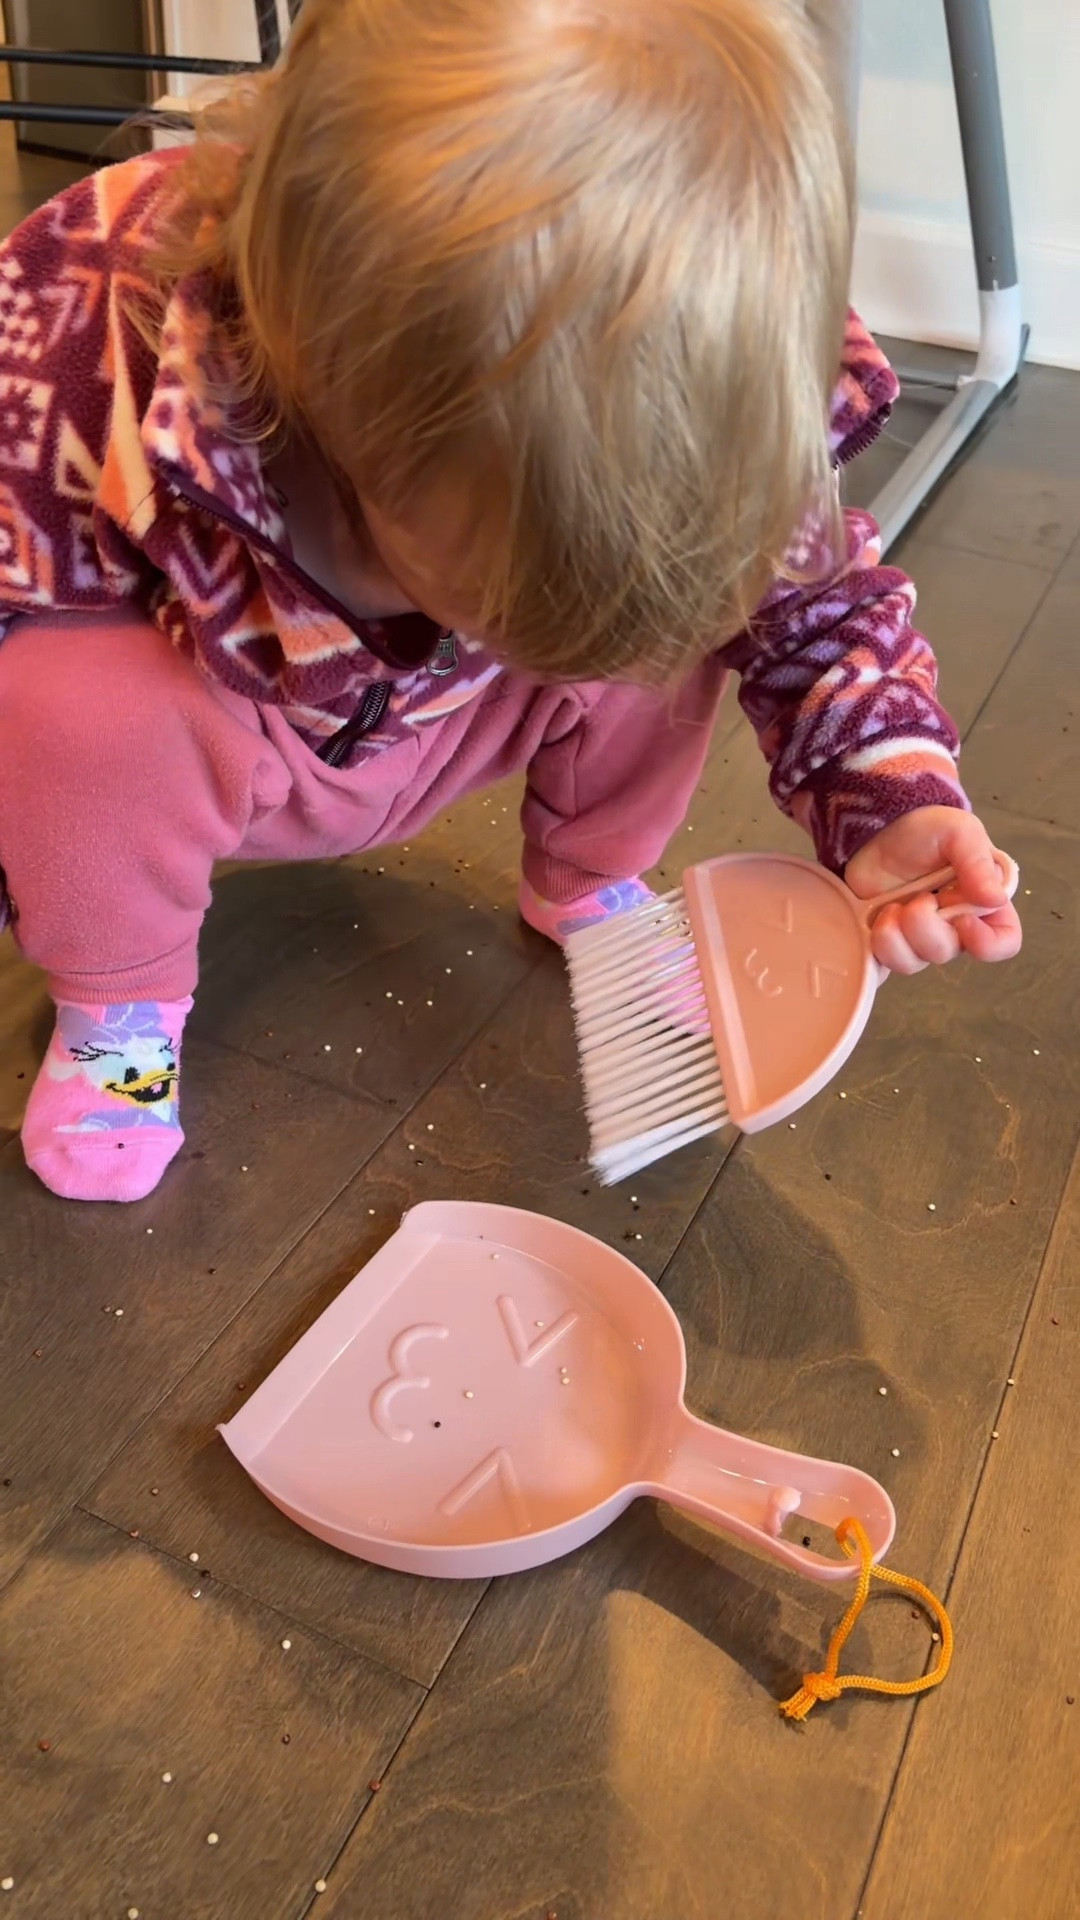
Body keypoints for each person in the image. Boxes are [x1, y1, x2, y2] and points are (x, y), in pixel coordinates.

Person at [0, 0, 1020, 1203]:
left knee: (680, 608)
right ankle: (121, 1011)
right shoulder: (82, 326)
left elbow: (819, 608)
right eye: (498, 576)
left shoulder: (724, 379)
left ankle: (587, 874)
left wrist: (885, 792)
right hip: (232, 725)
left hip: (457, 716)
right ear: (325, 380)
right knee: (76, 704)